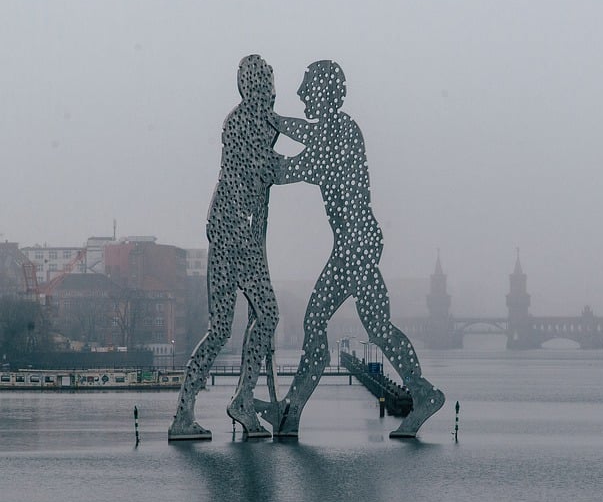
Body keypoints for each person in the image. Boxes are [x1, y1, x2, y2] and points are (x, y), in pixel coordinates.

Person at [257, 60, 444, 438]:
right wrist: (272, 123)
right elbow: (307, 136)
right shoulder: (333, 131)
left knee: (321, 325)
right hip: (354, 244)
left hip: (355, 245)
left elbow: (295, 166)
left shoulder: (342, 133)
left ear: (324, 91)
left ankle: (290, 411)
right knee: (374, 327)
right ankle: (421, 393)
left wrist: (263, 145)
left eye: (307, 86)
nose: (301, 93)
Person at [168, 55, 289, 440]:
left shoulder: (262, 121)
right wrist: (306, 164)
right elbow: (260, 168)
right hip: (234, 234)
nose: (271, 85)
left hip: (234, 232)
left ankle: (193, 411)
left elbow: (264, 168)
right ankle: (235, 401)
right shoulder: (242, 122)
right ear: (253, 84)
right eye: (266, 79)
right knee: (261, 317)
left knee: (229, 326)